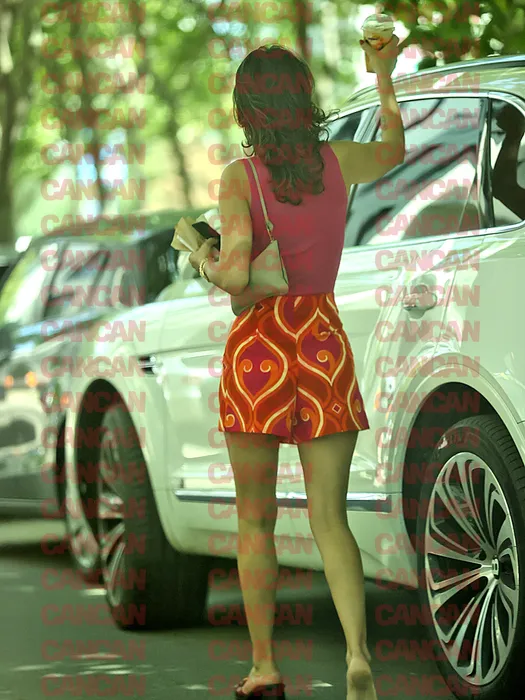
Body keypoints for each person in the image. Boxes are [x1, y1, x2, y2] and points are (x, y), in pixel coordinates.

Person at [181, 37, 404, 700]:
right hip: (322, 340)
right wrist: (383, 75)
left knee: (256, 520)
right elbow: (394, 149)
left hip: (260, 351)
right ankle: (357, 655)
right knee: (329, 516)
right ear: (303, 99)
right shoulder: (339, 161)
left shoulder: (239, 178)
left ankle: (264, 667)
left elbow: (236, 273)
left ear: (247, 110)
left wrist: (202, 258)